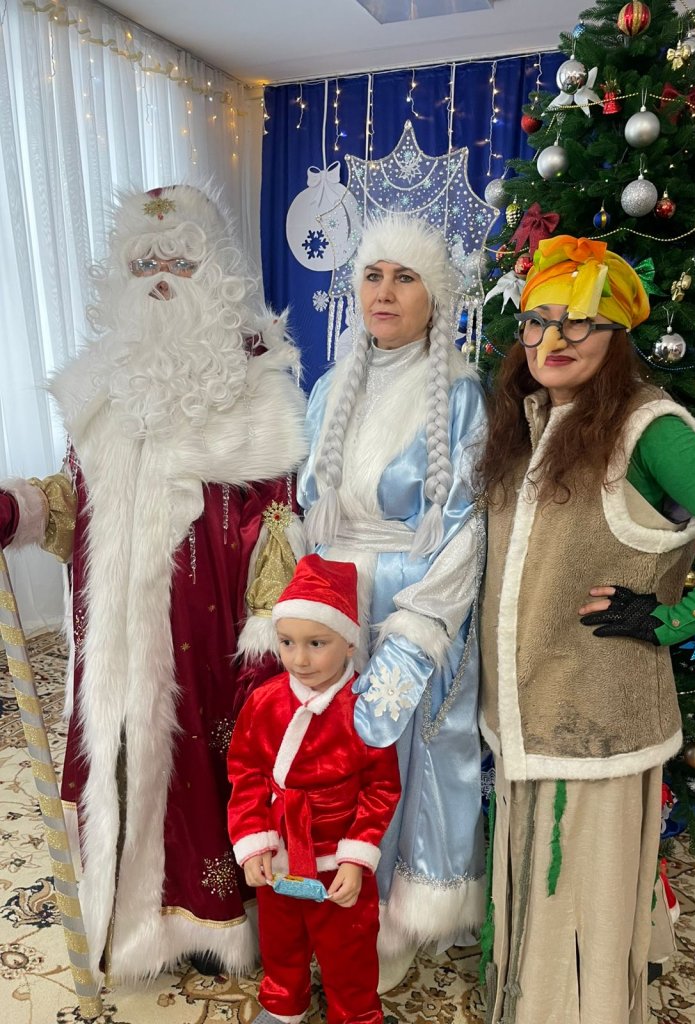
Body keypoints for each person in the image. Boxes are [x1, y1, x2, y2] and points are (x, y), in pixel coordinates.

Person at [0, 185, 308, 981]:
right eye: (144, 263)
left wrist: (271, 626)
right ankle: (124, 918)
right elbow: (74, 501)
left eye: (178, 261)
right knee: (115, 757)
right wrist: (22, 509)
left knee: (206, 767)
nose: (160, 278)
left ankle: (207, 923)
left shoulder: (255, 382)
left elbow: (279, 518)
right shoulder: (101, 384)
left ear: (216, 272)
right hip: (109, 630)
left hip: (205, 631)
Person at [476, 235, 695, 1024]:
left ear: (617, 335)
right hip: (528, 708)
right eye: (538, 320)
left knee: (583, 897)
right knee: (536, 881)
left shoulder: (647, 428)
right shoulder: (530, 417)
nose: (554, 338)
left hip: (597, 714)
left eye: (579, 321)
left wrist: (673, 620)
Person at [298, 213, 488, 990]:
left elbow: (468, 526)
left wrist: (418, 629)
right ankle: (325, 909)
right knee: (326, 759)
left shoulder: (462, 395)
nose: (384, 292)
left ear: (433, 296)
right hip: (331, 604)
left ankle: (387, 924)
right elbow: (306, 512)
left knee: (396, 758)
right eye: (373, 275)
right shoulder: (328, 389)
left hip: (409, 602)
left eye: (404, 277)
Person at [228, 553, 401, 1024]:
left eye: (316, 643)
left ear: (349, 642)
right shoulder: (264, 702)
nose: (299, 659)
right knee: (281, 941)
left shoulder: (364, 708)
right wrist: (255, 842)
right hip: (281, 851)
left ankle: (356, 1013)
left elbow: (382, 787)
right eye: (287, 642)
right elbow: (245, 772)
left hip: (336, 859)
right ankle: (284, 1002)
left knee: (350, 947)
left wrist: (356, 857)